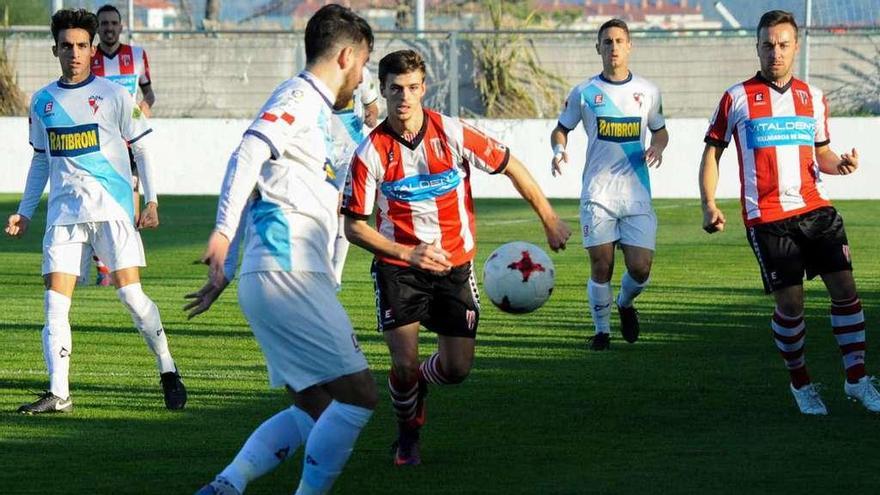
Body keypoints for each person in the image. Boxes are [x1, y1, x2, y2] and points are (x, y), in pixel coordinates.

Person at [342, 49, 571, 466]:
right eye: (395, 89)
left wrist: (550, 219)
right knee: (404, 365)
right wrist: (407, 253)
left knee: (457, 369)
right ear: (384, 90)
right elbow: (354, 226)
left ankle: (418, 387)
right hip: (399, 270)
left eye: (413, 88)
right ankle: (408, 433)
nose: (404, 97)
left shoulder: (453, 133)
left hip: (453, 268)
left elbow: (511, 165)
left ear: (424, 88)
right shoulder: (370, 153)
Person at [185, 5, 377, 494]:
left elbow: (266, 188)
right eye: (364, 64)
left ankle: (227, 485)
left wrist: (228, 268)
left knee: (313, 405)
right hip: (288, 273)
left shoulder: (322, 116)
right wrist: (223, 234)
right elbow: (248, 152)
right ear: (347, 56)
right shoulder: (298, 97)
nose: (363, 77)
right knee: (358, 396)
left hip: (273, 274)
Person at [5, 8, 186, 414]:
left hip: (112, 211)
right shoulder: (43, 101)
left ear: (91, 50)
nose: (74, 52)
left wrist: (152, 199)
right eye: (67, 46)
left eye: (82, 46)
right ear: (55, 49)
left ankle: (168, 368)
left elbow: (140, 146)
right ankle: (59, 392)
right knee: (54, 303)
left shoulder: (113, 95)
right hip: (64, 217)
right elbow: (40, 160)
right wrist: (26, 211)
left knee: (132, 297)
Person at [700, 10, 879, 415]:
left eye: (782, 45)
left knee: (846, 291)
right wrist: (709, 203)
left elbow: (821, 153)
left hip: (816, 208)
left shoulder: (813, 98)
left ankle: (857, 380)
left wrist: (840, 165)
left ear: (795, 46)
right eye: (767, 45)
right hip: (767, 217)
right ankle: (801, 383)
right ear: (757, 48)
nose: (775, 53)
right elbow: (712, 152)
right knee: (792, 305)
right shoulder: (737, 98)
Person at [549, 18, 668, 351]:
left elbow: (660, 129)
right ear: (598, 47)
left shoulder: (648, 91)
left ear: (629, 46)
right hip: (598, 193)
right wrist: (559, 149)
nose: (613, 47)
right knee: (601, 264)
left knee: (640, 267)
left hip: (636, 193)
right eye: (607, 41)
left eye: (619, 41)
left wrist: (658, 145)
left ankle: (625, 303)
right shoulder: (584, 92)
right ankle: (602, 332)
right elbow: (561, 128)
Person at [80, 4, 156, 286]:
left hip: (129, 140)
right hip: (97, 144)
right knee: (97, 199)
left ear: (121, 26)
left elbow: (149, 92)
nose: (109, 28)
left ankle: (121, 261)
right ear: (97, 28)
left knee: (129, 203)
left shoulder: (136, 56)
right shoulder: (88, 57)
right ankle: (102, 267)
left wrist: (144, 107)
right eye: (104, 24)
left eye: (113, 23)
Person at [329, 66, 380, 286]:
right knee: (325, 209)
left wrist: (371, 115)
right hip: (323, 151)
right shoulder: (321, 70)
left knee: (342, 208)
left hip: (352, 150)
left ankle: (335, 275)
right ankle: (320, 267)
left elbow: (373, 106)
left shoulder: (363, 72)